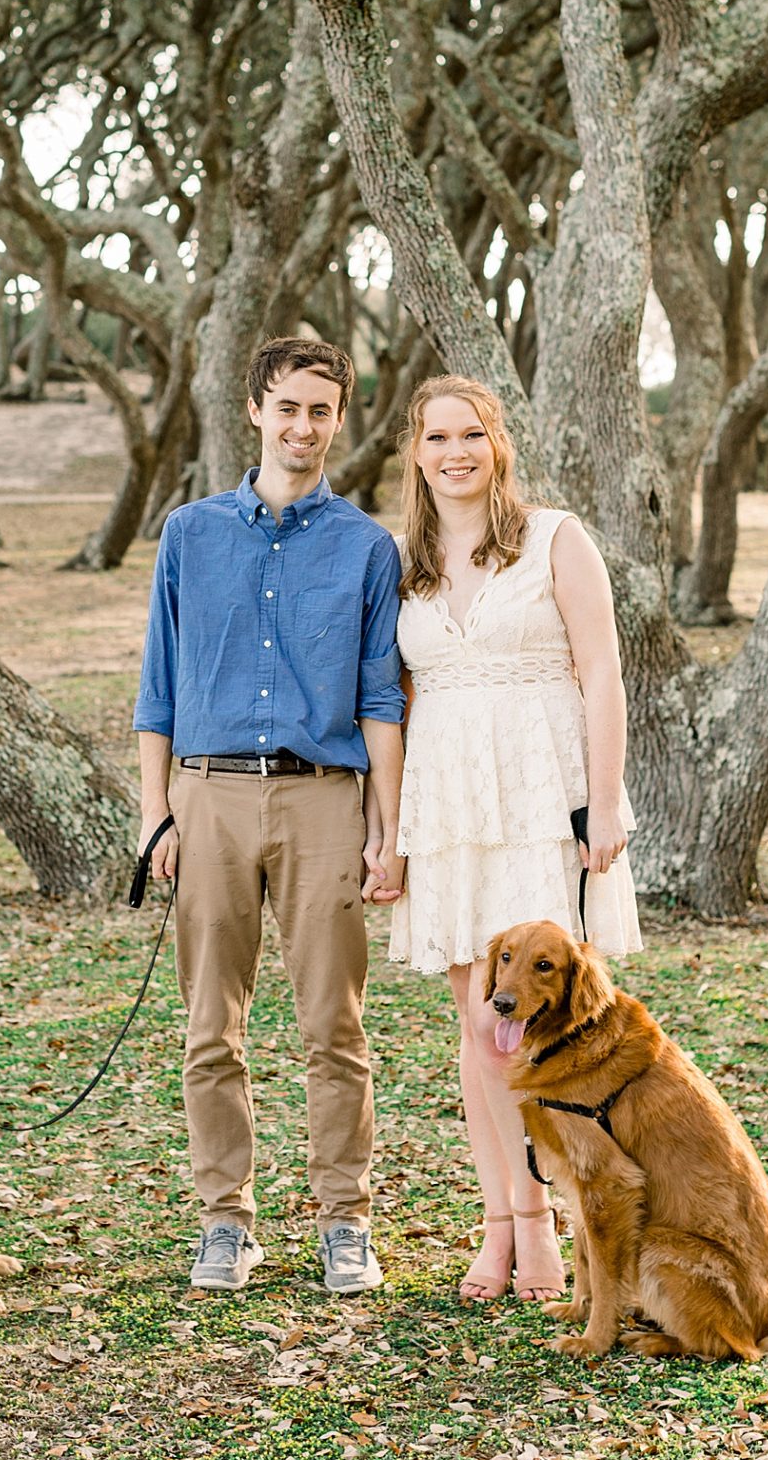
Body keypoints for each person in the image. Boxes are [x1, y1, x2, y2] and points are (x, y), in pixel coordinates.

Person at [133, 336, 406, 1295]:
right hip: (205, 797)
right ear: (254, 408)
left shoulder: (368, 548)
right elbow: (157, 684)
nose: (302, 427)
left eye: (320, 411)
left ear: (340, 421)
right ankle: (225, 1221)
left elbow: (381, 698)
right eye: (286, 407)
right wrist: (154, 814)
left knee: (333, 1027)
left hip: (322, 799)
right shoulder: (189, 534)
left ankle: (345, 1221)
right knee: (211, 1027)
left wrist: (386, 824)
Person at [382, 375, 642, 1303]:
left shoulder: (556, 538)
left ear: (498, 444)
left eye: (472, 435)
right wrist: (391, 834)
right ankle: (507, 1228)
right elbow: (395, 702)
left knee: (556, 1029)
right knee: (480, 1029)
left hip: (542, 796)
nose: (455, 452)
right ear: (414, 452)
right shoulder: (399, 562)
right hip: (449, 808)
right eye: (437, 437)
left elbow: (603, 672)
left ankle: (574, 1224)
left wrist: (604, 802)